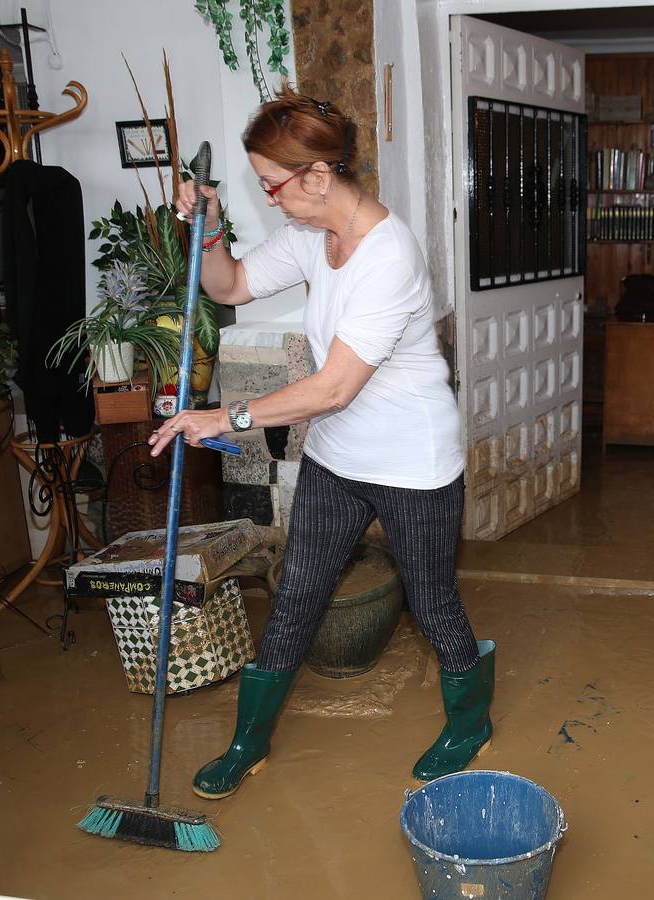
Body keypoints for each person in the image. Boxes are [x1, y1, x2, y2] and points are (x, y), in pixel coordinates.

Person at [149, 86, 493, 799]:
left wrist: (225, 416)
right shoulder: (313, 234)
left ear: (316, 175)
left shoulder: (386, 254)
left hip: (412, 461)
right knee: (298, 593)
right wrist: (208, 228)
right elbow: (231, 285)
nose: (269, 198)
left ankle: (469, 724)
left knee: (431, 604)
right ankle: (249, 741)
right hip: (338, 456)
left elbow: (336, 385)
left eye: (271, 184)